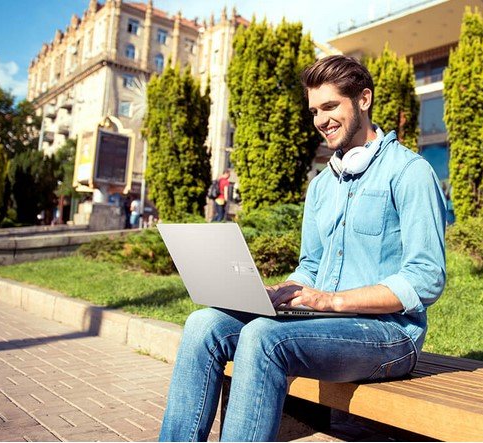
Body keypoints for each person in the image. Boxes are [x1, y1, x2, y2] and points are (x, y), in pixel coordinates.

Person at [159, 55, 447, 441]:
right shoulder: (321, 186)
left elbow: (426, 279)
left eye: (330, 107)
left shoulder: (410, 173)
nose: (321, 121)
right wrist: (282, 293)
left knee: (264, 337)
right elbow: (311, 264)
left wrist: (333, 301)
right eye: (315, 111)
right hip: (320, 326)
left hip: (388, 335)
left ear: (363, 100)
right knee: (203, 325)